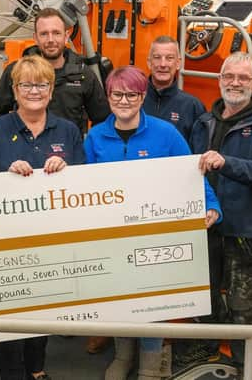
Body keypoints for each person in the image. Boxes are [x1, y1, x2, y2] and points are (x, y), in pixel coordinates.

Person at [84, 66, 221, 380]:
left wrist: (211, 204)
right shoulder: (95, 137)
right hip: (114, 236)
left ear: (142, 97)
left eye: (132, 94)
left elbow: (192, 174)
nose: (124, 100)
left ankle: (150, 360)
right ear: (108, 97)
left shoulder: (166, 134)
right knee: (118, 296)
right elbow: (85, 189)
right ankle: (123, 355)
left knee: (153, 299)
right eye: (117, 94)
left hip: (155, 234)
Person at [0, 55, 85, 380]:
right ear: (15, 90)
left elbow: (87, 181)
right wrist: (5, 176)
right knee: (10, 315)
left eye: (41, 84)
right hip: (6, 243)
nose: (34, 90)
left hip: (52, 241)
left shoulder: (68, 130)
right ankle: (13, 373)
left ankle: (38, 369)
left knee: (43, 310)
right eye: (26, 84)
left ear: (51, 90)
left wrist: (66, 171)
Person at [187, 51, 252, 372]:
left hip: (244, 232)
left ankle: (247, 370)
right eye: (229, 76)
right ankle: (206, 356)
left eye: (243, 78)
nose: (235, 83)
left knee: (245, 309)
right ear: (219, 80)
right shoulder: (203, 121)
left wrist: (226, 162)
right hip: (206, 228)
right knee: (205, 299)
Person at [0, 7, 110, 134]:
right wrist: (12, 143)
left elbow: (103, 119)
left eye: (56, 33)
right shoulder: (16, 72)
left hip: (68, 150)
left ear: (66, 36)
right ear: (35, 38)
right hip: (26, 152)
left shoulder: (83, 74)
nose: (51, 40)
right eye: (44, 34)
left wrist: (85, 147)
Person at [143, 35, 205, 141]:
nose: (163, 64)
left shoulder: (192, 106)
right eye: (157, 57)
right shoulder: (133, 100)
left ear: (178, 63)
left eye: (169, 58)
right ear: (149, 63)